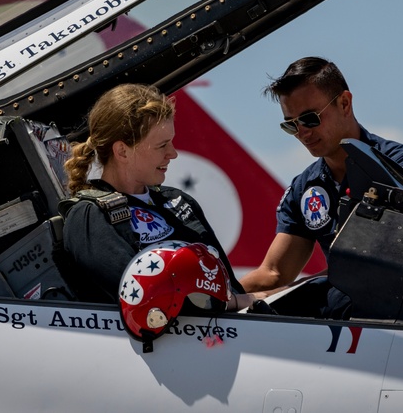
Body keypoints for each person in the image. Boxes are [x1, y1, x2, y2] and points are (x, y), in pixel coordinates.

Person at [239, 57, 403, 297]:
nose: (302, 133)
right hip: (350, 322)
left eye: (310, 119)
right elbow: (273, 273)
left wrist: (284, 294)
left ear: (345, 103)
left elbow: (376, 265)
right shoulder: (304, 188)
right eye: (291, 125)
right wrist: (217, 292)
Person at [60, 83, 260, 312]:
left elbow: (227, 285)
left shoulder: (177, 201)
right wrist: (233, 303)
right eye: (162, 145)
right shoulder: (89, 218)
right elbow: (150, 300)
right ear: (122, 151)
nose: (172, 153)